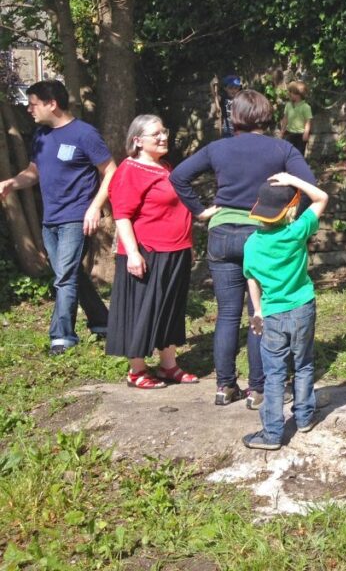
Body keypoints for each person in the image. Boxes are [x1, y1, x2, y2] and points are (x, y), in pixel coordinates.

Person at [170, 90, 316, 408]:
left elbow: (178, 176)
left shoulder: (218, 148)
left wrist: (199, 209)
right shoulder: (282, 148)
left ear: (234, 116)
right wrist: (290, 217)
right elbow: (310, 186)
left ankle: (224, 386)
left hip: (221, 234)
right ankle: (257, 389)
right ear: (266, 114)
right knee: (258, 313)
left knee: (226, 314)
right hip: (259, 234)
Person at [0, 80, 113, 355]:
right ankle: (103, 322)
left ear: (52, 104)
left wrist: (95, 207)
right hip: (50, 219)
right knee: (70, 274)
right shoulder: (41, 135)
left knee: (64, 277)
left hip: (77, 217)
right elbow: (34, 171)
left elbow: (111, 170)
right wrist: (11, 183)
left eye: (33, 103)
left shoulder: (85, 134)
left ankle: (62, 337)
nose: (29, 109)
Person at [107, 115, 197, 389]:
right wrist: (133, 253)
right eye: (155, 133)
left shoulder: (164, 167)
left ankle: (168, 365)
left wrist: (188, 246)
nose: (163, 137)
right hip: (148, 251)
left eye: (164, 131)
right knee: (142, 310)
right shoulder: (130, 169)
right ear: (137, 140)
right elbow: (121, 215)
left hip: (175, 250)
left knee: (168, 309)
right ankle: (137, 370)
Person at [241, 172, 328, 451]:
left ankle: (272, 434)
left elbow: (251, 279)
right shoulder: (297, 231)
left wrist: (257, 311)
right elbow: (322, 197)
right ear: (290, 209)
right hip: (303, 308)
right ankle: (303, 418)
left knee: (274, 373)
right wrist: (292, 178)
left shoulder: (252, 243)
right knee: (303, 364)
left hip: (273, 314)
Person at [279, 81, 313, 157]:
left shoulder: (306, 107)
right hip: (289, 133)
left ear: (298, 94)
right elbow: (285, 118)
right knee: (287, 152)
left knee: (299, 154)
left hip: (300, 135)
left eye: (291, 92)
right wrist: (282, 131)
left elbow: (308, 121)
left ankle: (298, 168)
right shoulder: (288, 105)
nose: (289, 94)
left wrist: (306, 133)